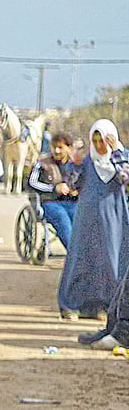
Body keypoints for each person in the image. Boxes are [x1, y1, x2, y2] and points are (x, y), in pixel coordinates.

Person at [57, 120, 129, 321]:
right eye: (95, 141)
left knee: (111, 261)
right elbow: (72, 184)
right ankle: (72, 305)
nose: (99, 146)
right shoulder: (88, 161)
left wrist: (116, 152)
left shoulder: (121, 158)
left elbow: (125, 178)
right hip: (87, 218)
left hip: (113, 218)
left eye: (103, 141)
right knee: (81, 259)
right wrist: (74, 164)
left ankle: (106, 306)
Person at [27, 132, 79, 253]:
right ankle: (74, 254)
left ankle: (83, 254)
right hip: (50, 203)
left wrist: (76, 190)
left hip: (72, 202)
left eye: (60, 147)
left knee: (80, 219)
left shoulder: (76, 166)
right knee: (61, 218)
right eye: (54, 147)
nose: (56, 150)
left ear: (69, 148)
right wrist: (53, 188)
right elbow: (32, 182)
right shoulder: (41, 164)